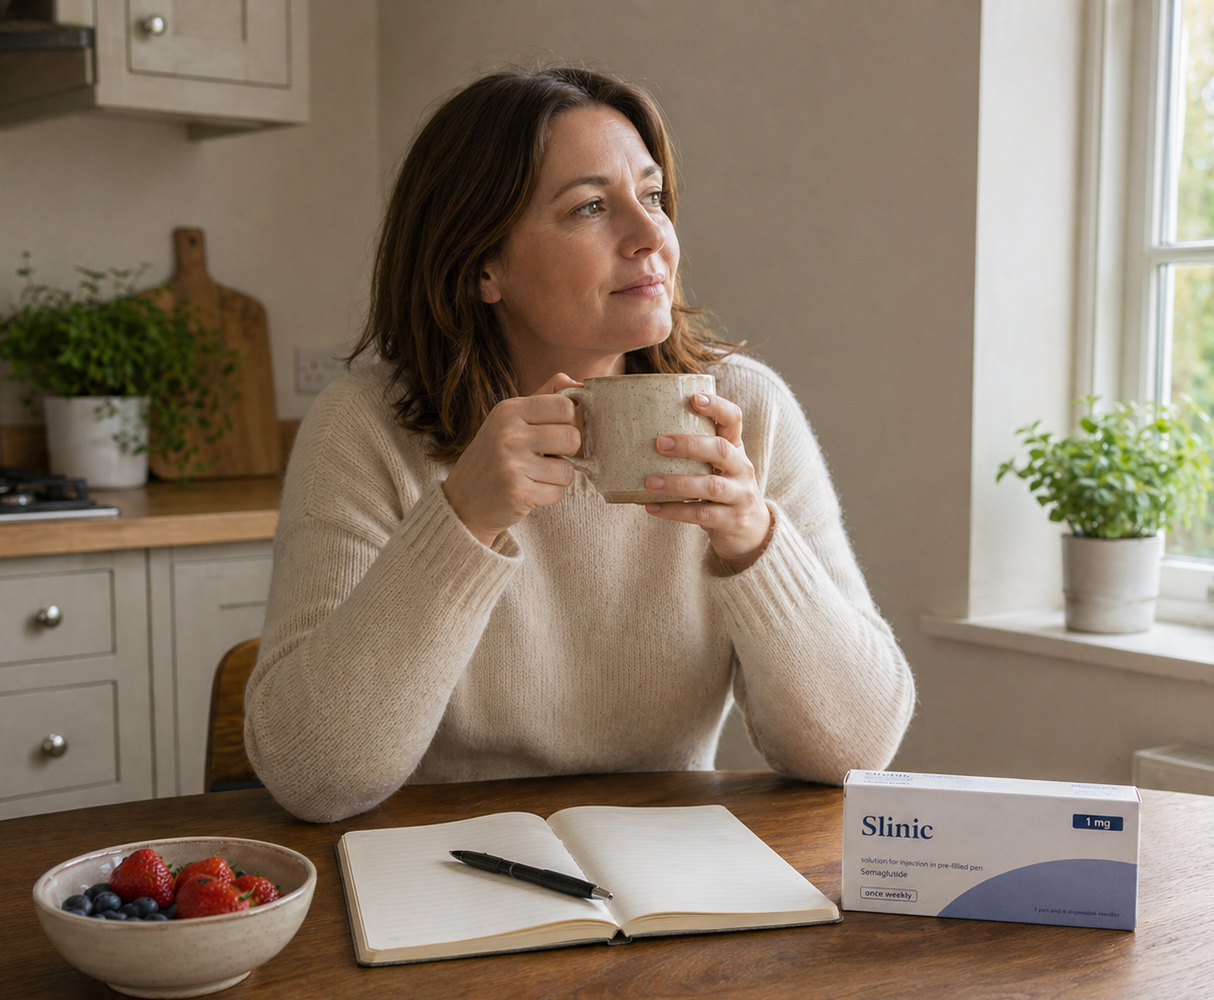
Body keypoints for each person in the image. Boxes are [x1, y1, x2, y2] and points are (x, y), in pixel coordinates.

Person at [245, 67, 915, 822]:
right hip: (436, 873)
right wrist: (460, 520)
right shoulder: (365, 428)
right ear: (482, 266)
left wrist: (754, 542)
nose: (651, 234)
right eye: (592, 207)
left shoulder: (748, 412)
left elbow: (854, 751)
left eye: (653, 196)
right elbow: (313, 776)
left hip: (668, 880)